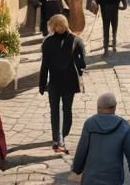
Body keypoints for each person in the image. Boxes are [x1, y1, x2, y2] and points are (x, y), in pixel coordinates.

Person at [71, 92, 130, 185]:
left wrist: (76, 169)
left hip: (90, 178)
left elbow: (82, 150)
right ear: (114, 107)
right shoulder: (123, 126)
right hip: (113, 179)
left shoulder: (89, 123)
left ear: (98, 107)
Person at [38, 13, 86, 154]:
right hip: (54, 82)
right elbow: (44, 65)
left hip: (69, 82)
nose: (59, 27)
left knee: (67, 110)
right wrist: (42, 83)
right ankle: (57, 139)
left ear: (65, 24)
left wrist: (79, 66)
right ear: (53, 27)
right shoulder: (48, 42)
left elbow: (82, 62)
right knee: (55, 111)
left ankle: (62, 135)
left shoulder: (76, 40)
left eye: (61, 25)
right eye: (56, 25)